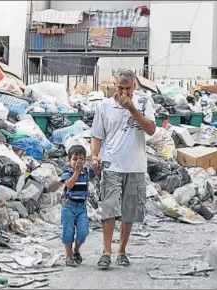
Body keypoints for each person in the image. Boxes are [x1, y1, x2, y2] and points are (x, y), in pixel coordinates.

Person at [91, 69, 156, 269]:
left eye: (128, 88)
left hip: (135, 165)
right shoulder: (104, 106)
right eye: (121, 88)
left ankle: (122, 250)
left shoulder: (144, 103)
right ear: (114, 85)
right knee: (109, 209)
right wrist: (94, 156)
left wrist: (132, 110)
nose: (124, 92)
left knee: (130, 212)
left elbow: (151, 129)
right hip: (111, 164)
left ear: (134, 86)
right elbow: (96, 136)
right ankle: (106, 251)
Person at [60, 145, 95, 267]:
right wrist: (76, 171)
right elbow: (69, 185)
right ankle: (69, 256)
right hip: (68, 206)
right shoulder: (67, 172)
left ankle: (76, 250)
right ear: (69, 160)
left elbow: (95, 174)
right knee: (68, 232)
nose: (78, 162)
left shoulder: (86, 172)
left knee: (83, 232)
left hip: (81, 208)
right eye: (75, 159)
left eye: (81, 159)